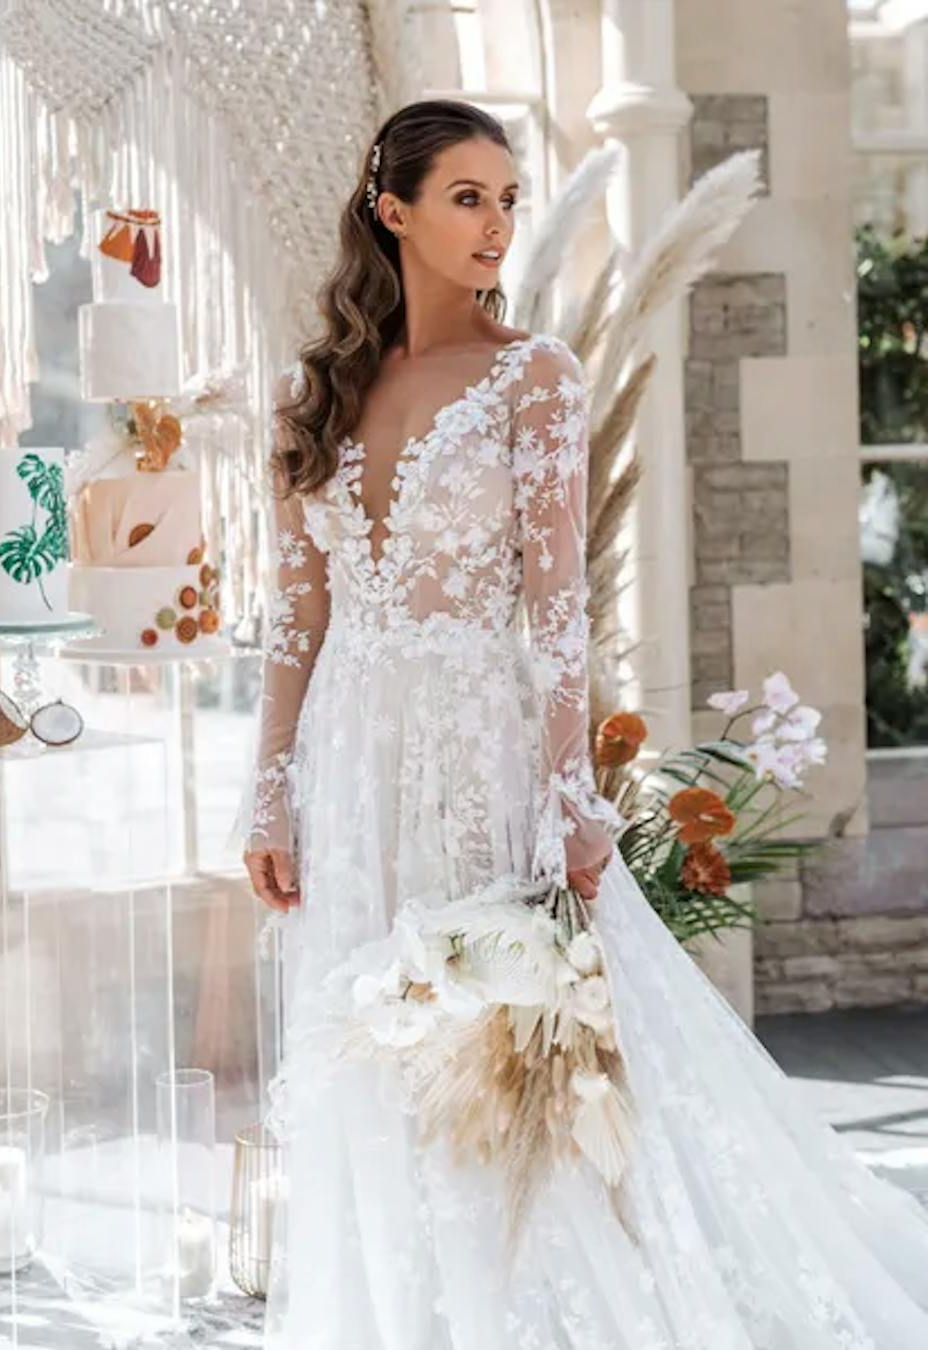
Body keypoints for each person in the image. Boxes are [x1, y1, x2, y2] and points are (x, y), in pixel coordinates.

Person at [230, 99, 928, 1349]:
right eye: (467, 198)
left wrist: (567, 796)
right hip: (350, 755)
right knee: (371, 1045)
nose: (498, 224)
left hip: (479, 756)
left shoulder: (533, 377)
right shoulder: (315, 390)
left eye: (508, 198)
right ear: (391, 209)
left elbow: (558, 610)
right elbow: (299, 612)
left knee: (501, 1047)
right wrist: (268, 786)